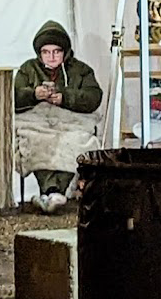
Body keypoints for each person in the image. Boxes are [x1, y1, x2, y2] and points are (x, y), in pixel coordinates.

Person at [12, 21, 104, 213]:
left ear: (65, 51)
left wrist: (65, 97)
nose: (51, 56)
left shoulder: (81, 70)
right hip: (37, 122)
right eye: (46, 52)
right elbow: (12, 95)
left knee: (73, 141)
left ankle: (52, 192)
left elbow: (94, 96)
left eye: (56, 51)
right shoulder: (28, 69)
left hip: (71, 122)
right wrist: (33, 94)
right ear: (39, 53)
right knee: (37, 141)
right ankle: (51, 192)